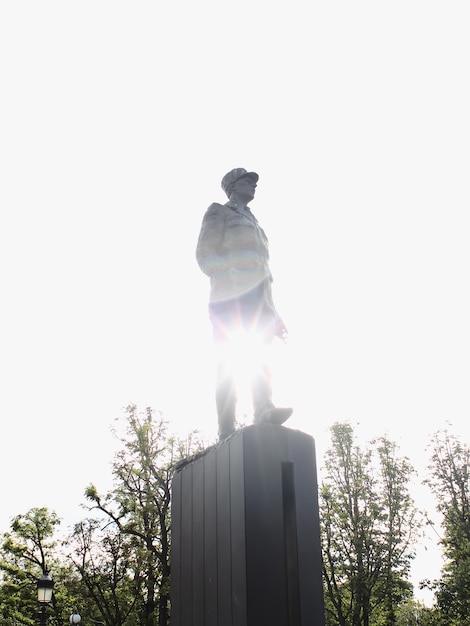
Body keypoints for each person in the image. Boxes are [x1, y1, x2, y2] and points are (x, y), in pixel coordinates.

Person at [196, 167, 293, 440]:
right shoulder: (219, 212)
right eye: (247, 181)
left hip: (259, 301)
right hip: (229, 299)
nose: (253, 185)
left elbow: (264, 269)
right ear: (233, 185)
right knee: (228, 364)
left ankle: (264, 410)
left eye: (253, 182)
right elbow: (204, 254)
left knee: (260, 358)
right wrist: (230, 277)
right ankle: (225, 428)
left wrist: (273, 313)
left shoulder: (255, 222)